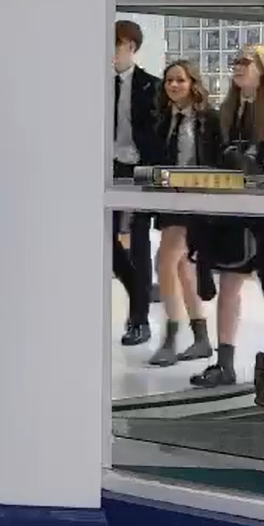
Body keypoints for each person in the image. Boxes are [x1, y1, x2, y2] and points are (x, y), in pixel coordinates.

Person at [192, 45, 264, 388]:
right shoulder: (222, 114)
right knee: (229, 284)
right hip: (231, 212)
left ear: (261, 68)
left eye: (246, 61)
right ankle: (224, 363)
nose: (238, 67)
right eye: (236, 62)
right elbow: (213, 159)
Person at [146, 60, 220, 367]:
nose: (173, 86)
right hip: (169, 200)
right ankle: (200, 337)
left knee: (165, 259)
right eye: (168, 82)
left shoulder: (209, 119)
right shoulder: (163, 119)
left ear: (193, 83)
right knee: (180, 269)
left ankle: (171, 336)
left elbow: (216, 160)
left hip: (197, 200)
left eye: (180, 80)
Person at [112, 20, 160, 347]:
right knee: (107, 242)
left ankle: (139, 319)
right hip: (108, 168)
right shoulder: (98, 84)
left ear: (130, 45)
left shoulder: (151, 86)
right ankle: (137, 290)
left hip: (141, 170)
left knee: (140, 242)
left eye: (115, 44)